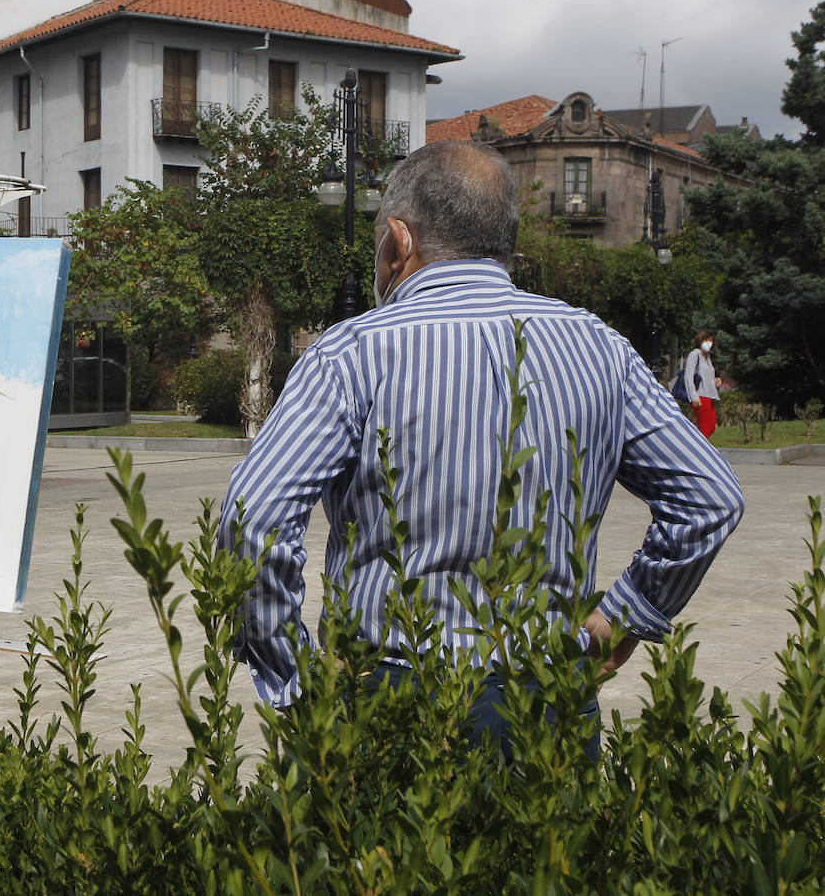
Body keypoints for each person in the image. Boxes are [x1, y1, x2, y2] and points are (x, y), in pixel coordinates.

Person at [217, 140, 745, 755]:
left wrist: (293, 680)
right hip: (548, 696)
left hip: (389, 695)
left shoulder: (350, 353)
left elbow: (254, 517)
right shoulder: (599, 347)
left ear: (399, 239)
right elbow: (709, 498)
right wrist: (626, 614)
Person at [683, 330, 720, 438]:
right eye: (706, 339)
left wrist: (716, 381)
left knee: (711, 427)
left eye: (711, 340)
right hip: (700, 396)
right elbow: (688, 376)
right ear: (700, 340)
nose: (709, 342)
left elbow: (706, 377)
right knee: (705, 428)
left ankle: (695, 447)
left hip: (710, 396)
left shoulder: (707, 357)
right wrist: (694, 396)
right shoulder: (695, 354)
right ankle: (696, 451)